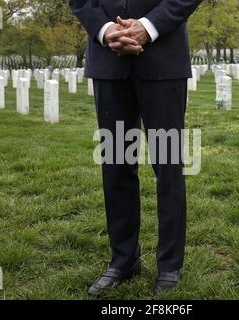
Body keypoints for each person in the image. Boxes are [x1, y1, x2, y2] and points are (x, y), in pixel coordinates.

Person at [69, 0, 202, 296]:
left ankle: (169, 266)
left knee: (168, 166)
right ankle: (123, 260)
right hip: (109, 58)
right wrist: (106, 30)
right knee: (116, 165)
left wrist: (148, 26)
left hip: (164, 56)